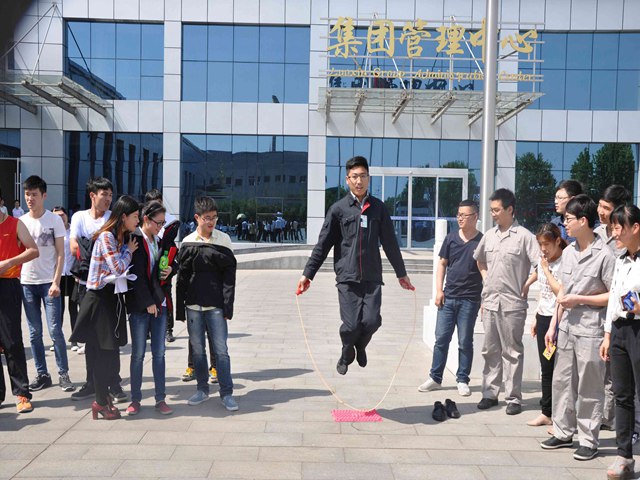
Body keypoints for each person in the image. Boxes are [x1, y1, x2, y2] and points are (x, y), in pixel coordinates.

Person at [297, 156, 414, 375]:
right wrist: (308, 274)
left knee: (372, 321)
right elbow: (323, 245)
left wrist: (402, 274)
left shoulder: (378, 208)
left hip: (372, 277)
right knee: (350, 326)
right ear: (347, 179)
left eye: (363, 176)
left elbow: (390, 243)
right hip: (347, 277)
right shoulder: (338, 209)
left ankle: (359, 346)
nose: (359, 181)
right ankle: (346, 351)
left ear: (368, 178)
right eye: (354, 177)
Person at [541, 194, 615, 461]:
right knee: (562, 382)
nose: (565, 224)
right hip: (566, 328)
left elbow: (613, 295)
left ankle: (588, 440)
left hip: (591, 329)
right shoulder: (570, 252)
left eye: (568, 219)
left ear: (583, 221)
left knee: (589, 387)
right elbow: (563, 292)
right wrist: (553, 326)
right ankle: (563, 432)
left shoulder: (605, 255)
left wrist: (580, 299)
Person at [70, 195, 139, 420]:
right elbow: (117, 267)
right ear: (124, 216)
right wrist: (128, 251)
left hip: (110, 298)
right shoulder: (107, 236)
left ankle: (103, 398)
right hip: (99, 300)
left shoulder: (118, 237)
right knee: (103, 352)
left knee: (109, 352)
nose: (137, 221)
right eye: (135, 216)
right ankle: (100, 402)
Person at [473, 188, 539, 415]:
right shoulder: (489, 236)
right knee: (490, 350)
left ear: (510, 209)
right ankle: (489, 394)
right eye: (491, 210)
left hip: (513, 304)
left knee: (512, 352)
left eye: (496, 210)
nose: (493, 214)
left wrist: (527, 284)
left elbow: (541, 266)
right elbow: (480, 260)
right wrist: (486, 278)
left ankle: (513, 398)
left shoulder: (525, 237)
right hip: (490, 301)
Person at [176, 196, 239, 411]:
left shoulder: (224, 240)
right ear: (197, 218)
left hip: (216, 306)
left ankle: (227, 393)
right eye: (207, 218)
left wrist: (228, 306)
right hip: (193, 306)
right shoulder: (188, 242)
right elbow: (182, 278)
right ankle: (202, 389)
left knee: (221, 351)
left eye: (214, 217)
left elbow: (229, 278)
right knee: (198, 351)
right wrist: (180, 309)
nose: (211, 222)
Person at [69, 177, 126, 403]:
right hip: (86, 287)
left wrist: (93, 249)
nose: (108, 199)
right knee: (91, 340)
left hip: (109, 289)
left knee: (111, 340)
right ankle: (91, 382)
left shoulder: (111, 218)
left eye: (111, 195)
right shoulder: (79, 217)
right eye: (104, 194)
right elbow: (74, 246)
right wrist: (93, 253)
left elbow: (117, 246)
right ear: (92, 195)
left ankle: (114, 383)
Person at [418, 200, 482, 397]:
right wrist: (439, 290)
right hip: (449, 297)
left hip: (470, 299)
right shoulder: (451, 238)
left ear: (475, 217)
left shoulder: (482, 241)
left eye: (464, 215)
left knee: (465, 341)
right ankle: (435, 377)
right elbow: (442, 264)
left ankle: (462, 379)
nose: (460, 218)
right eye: (458, 215)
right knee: (441, 339)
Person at [20, 176, 75, 392]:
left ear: (44, 195)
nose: (30, 198)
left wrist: (56, 281)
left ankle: (63, 373)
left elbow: (61, 253)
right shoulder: (21, 221)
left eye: (34, 194)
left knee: (55, 331)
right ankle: (42, 374)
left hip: (49, 284)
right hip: (27, 283)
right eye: (27, 194)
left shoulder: (54, 221)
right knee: (34, 333)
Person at [599, 204, 640, 479]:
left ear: (635, 227)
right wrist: (607, 335)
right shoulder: (621, 260)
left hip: (639, 328)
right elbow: (614, 296)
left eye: (618, 227)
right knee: (622, 395)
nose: (614, 233)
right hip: (619, 329)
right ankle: (624, 456)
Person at [125, 201, 173, 416]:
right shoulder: (134, 240)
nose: (160, 227)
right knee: (138, 354)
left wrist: (171, 269)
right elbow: (136, 276)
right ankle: (135, 399)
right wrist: (148, 302)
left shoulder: (159, 241)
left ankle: (160, 398)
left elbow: (170, 262)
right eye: (158, 223)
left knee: (159, 353)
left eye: (163, 223)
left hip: (159, 305)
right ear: (146, 219)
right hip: (140, 306)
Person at [594, 184, 633, 431]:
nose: (601, 211)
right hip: (602, 314)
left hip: (623, 316)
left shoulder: (627, 244)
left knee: (615, 374)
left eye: (606, 208)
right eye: (600, 205)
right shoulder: (596, 233)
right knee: (601, 369)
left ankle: (610, 419)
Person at [522, 223, 566, 427]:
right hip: (543, 318)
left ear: (557, 241)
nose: (543, 249)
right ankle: (547, 412)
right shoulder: (542, 261)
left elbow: (559, 293)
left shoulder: (564, 262)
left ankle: (559, 413)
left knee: (560, 369)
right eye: (540, 244)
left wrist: (547, 270)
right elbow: (543, 292)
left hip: (559, 319)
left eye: (546, 244)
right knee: (546, 366)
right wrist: (536, 317)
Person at [0, 207, 38, 413]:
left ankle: (22, 393)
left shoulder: (14, 224)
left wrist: (10, 262)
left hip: (8, 285)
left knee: (12, 341)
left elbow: (33, 250)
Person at [143, 189, 180, 343]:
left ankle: (168, 329)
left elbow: (170, 247)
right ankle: (147, 329)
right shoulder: (141, 229)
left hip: (163, 266)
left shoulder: (170, 224)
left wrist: (171, 267)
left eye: (158, 203)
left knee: (166, 296)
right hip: (147, 268)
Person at [52, 206, 79, 351]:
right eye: (56, 216)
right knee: (58, 308)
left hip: (72, 274)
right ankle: (57, 340)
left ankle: (75, 340)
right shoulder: (51, 232)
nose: (60, 218)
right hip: (58, 274)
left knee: (73, 307)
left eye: (62, 215)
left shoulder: (73, 231)